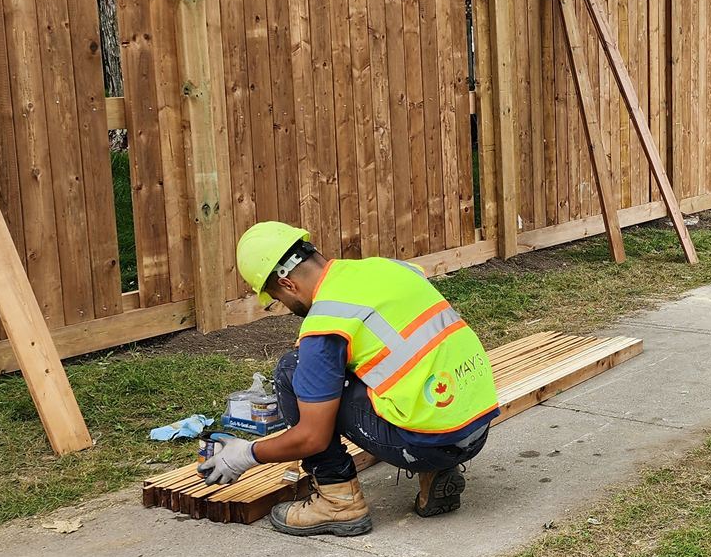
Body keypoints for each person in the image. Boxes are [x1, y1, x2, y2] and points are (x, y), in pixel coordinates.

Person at [198, 221, 498, 536]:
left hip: (428, 443)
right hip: (475, 427)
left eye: (276, 300)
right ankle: (437, 473)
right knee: (376, 365)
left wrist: (246, 455)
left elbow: (312, 437)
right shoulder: (388, 269)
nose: (285, 308)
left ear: (287, 285)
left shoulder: (328, 321)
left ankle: (338, 502)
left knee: (292, 368)